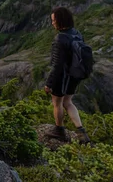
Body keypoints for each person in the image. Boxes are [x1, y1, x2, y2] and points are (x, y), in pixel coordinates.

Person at [44, 7, 90, 144]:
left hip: (63, 76)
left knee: (57, 103)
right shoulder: (77, 33)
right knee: (68, 102)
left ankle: (59, 130)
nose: (52, 23)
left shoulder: (60, 38)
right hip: (75, 75)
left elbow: (57, 65)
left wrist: (49, 83)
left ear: (60, 21)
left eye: (53, 20)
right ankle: (81, 132)